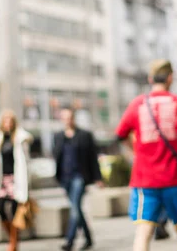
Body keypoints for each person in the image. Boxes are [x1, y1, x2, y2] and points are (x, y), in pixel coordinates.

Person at [116, 59, 177, 251]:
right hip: (172, 177)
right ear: (170, 78)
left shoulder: (137, 103)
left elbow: (121, 133)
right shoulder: (176, 102)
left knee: (144, 231)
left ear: (150, 78)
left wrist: (135, 152)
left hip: (144, 179)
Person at [53, 107, 103, 251]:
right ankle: (88, 238)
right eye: (65, 117)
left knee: (75, 208)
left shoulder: (84, 135)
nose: (68, 120)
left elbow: (93, 158)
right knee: (77, 209)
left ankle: (69, 241)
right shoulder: (58, 136)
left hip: (80, 176)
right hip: (65, 177)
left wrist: (97, 177)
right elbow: (57, 156)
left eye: (70, 117)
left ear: (73, 118)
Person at [0, 109, 33, 251]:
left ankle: (14, 243)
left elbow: (27, 161)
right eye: (5, 120)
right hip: (3, 179)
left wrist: (28, 183)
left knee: (16, 211)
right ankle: (12, 238)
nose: (8, 123)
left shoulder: (20, 138)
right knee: (1, 209)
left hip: (17, 179)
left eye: (10, 120)